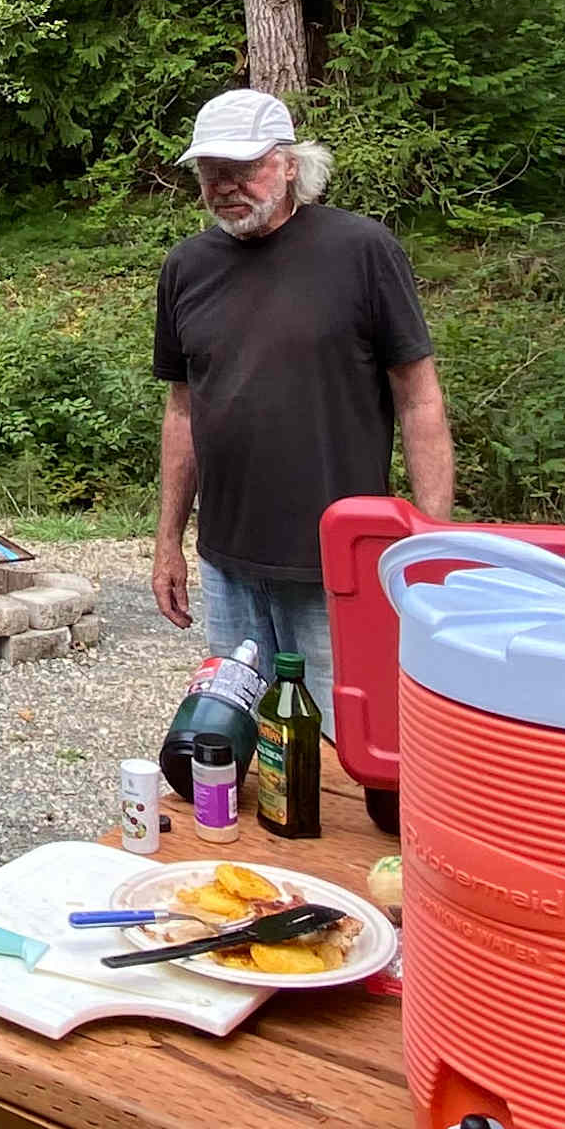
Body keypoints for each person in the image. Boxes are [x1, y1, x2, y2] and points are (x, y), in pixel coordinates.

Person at [151, 87, 453, 727]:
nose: (228, 186)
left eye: (246, 168)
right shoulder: (186, 268)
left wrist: (431, 542)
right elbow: (182, 412)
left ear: (290, 164)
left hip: (335, 565)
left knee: (347, 747)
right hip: (227, 562)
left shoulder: (362, 251)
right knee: (241, 739)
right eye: (212, 172)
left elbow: (419, 399)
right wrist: (168, 543)